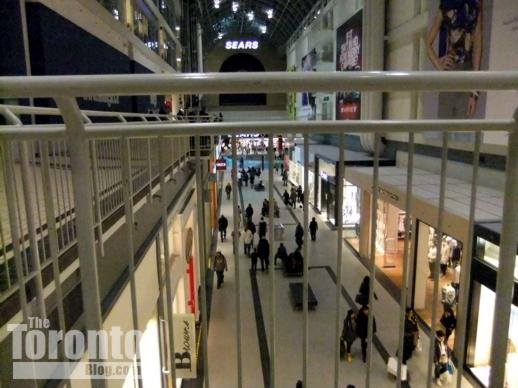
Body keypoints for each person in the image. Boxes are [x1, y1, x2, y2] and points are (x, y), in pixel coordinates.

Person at [426, 0, 482, 120]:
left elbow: (477, 44)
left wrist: (474, 91)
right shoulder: (446, 5)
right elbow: (428, 44)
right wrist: (440, 67)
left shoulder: (475, 5)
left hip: (468, 74)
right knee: (444, 128)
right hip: (450, 74)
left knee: (463, 131)